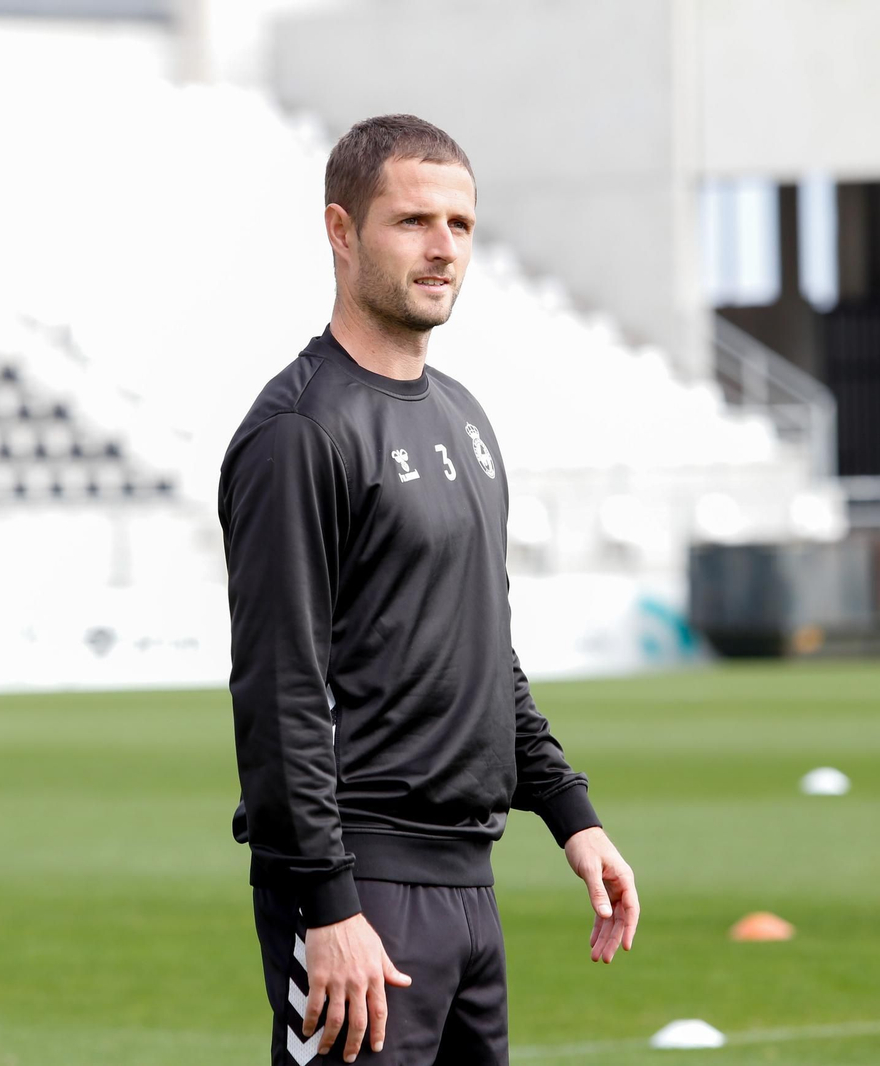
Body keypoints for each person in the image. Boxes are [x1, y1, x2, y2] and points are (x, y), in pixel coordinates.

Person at [219, 115, 639, 1066]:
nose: (443, 246)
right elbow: (280, 690)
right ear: (341, 230)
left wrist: (572, 815)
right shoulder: (299, 431)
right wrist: (328, 904)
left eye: (460, 224)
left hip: (469, 887)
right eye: (412, 221)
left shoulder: (463, 417)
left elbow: (483, 647)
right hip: (359, 887)